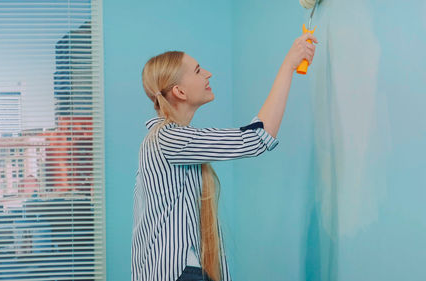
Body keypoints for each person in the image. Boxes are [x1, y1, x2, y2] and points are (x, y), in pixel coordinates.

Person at [132, 32, 318, 281]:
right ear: (180, 91)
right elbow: (256, 139)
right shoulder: (168, 139)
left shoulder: (161, 141)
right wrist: (288, 66)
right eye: (198, 71)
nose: (208, 73)